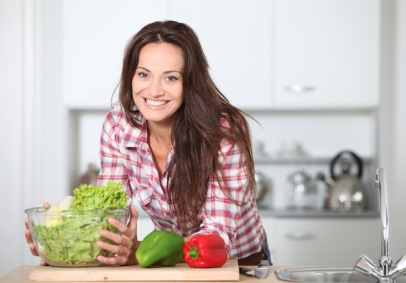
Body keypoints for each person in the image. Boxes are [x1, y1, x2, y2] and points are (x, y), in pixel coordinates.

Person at [25, 20, 271, 266]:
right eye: (144, 74)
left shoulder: (221, 132)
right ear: (131, 76)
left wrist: (138, 250)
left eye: (171, 78)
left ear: (191, 83)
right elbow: (108, 214)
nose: (154, 91)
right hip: (167, 262)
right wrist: (62, 239)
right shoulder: (117, 127)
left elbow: (216, 237)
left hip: (238, 265)